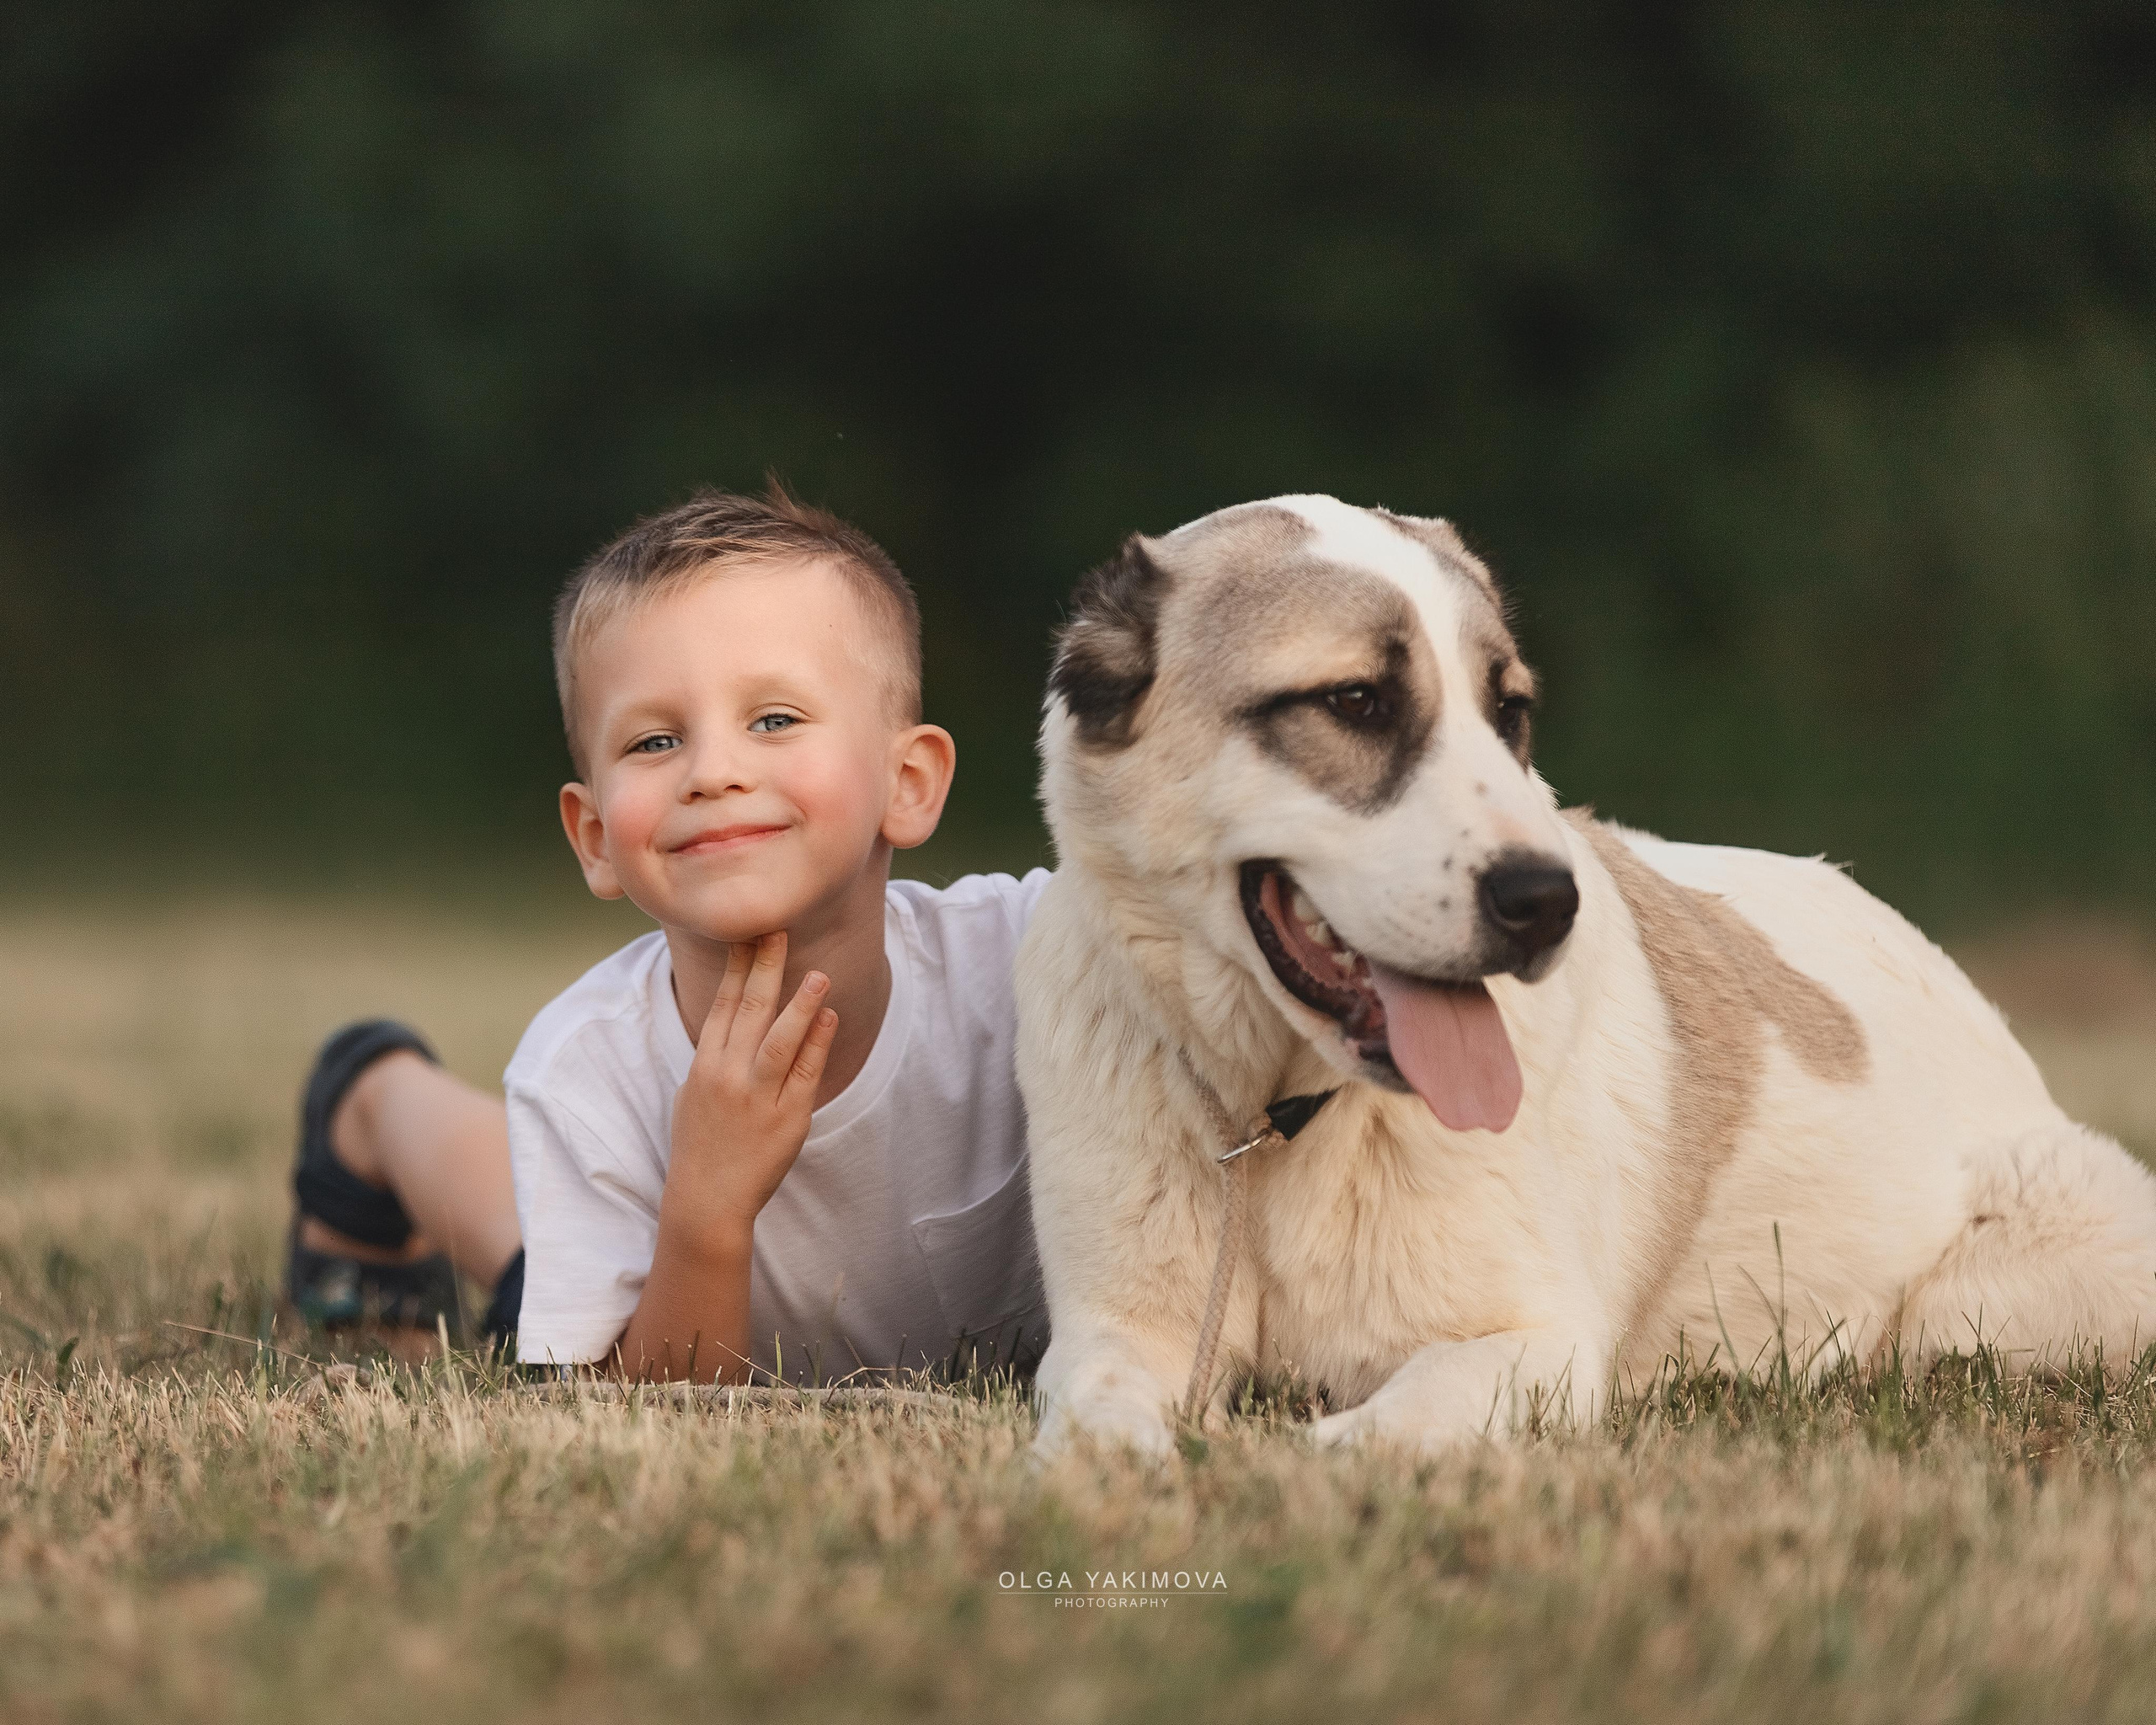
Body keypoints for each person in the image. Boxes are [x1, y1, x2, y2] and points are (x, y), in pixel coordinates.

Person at [286, 487, 1050, 1382]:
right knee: (527, 1267)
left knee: (525, 1219)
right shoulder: (583, 1068)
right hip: (651, 1307)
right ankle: (374, 1094)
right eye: (653, 741)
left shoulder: (1035, 958)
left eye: (774, 720)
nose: (713, 771)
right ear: (596, 837)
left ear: (909, 781)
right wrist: (704, 1207)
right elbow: (634, 1418)